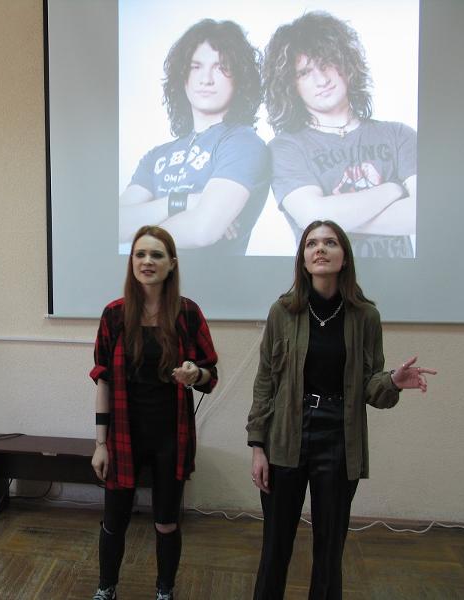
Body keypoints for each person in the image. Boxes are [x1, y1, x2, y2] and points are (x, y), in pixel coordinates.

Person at [246, 220, 436, 599]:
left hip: (337, 437)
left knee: (329, 549)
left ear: (344, 257)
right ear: (303, 259)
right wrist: (257, 446)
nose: (320, 249)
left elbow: (370, 387)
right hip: (285, 435)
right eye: (312, 244)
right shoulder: (282, 312)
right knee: (275, 545)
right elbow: (265, 381)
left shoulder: (365, 316)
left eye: (330, 243)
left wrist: (393, 381)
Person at [90, 225, 218, 600]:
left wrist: (196, 373)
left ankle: (165, 590)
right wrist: (100, 444)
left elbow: (210, 375)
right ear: (132, 261)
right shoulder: (114, 315)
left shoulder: (188, 313)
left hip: (170, 437)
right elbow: (103, 381)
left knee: (165, 522)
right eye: (140, 254)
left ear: (171, 264)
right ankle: (106, 588)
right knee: (114, 521)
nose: (147, 261)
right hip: (123, 435)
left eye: (157, 255)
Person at [263, 12, 417, 258]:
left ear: (346, 64)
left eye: (327, 64)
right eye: (305, 72)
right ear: (290, 85)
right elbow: (313, 216)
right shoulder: (284, 148)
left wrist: (333, 220)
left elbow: (421, 215)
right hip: (327, 281)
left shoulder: (398, 135)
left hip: (401, 279)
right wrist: (394, 190)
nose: (322, 79)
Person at [119, 19, 270, 253]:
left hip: (212, 276)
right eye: (195, 66)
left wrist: (140, 230)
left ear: (240, 78)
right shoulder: (156, 155)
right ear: (183, 76)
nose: (206, 79)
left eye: (221, 67)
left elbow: (202, 231)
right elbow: (115, 225)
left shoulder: (244, 144)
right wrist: (183, 202)